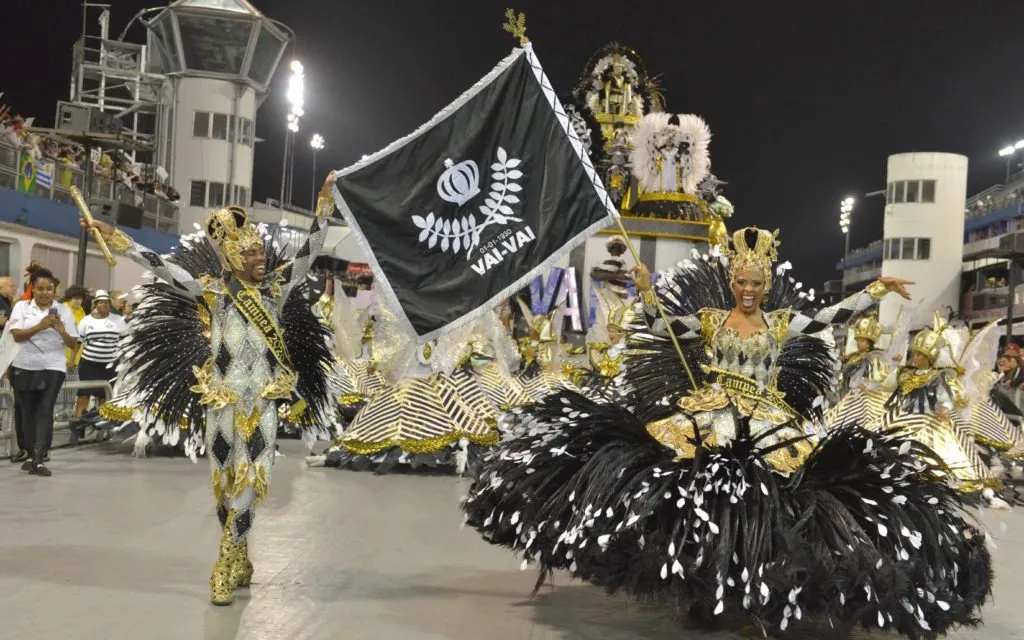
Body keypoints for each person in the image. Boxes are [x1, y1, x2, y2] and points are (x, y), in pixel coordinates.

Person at [463, 227, 993, 638]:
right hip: (709, 414)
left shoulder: (783, 325)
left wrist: (877, 289)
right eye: (741, 282)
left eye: (756, 284)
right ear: (732, 281)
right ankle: (698, 585)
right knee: (694, 498)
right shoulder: (712, 321)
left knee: (768, 508)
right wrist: (647, 294)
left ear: (765, 286)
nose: (747, 291)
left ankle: (753, 588)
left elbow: (832, 315)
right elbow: (661, 329)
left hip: (768, 422)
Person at [82, 175, 336, 606]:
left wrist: (324, 209)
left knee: (252, 477)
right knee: (223, 484)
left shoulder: (275, 288)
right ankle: (240, 552)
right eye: (251, 252)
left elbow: (310, 253)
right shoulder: (215, 293)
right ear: (233, 257)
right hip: (219, 401)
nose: (261, 257)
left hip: (262, 402)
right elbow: (164, 267)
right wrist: (119, 239)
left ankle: (222, 564)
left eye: (260, 251)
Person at [7, 268, 79, 476]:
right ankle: (30, 454)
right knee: (27, 412)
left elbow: (73, 343)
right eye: (40, 289)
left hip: (52, 366)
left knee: (45, 409)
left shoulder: (63, 311)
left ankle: (39, 458)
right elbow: (17, 336)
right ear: (33, 288)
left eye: (50, 289)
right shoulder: (21, 307)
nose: (45, 293)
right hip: (24, 365)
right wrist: (39, 326)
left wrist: (61, 331)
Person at [73, 290, 126, 421]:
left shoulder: (118, 320)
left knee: (106, 396)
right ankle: (78, 426)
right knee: (83, 394)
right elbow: (78, 343)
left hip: (110, 365)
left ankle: (103, 427)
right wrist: (71, 360)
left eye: (107, 302)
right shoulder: (86, 321)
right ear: (96, 304)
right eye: (101, 302)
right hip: (89, 364)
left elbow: (125, 342)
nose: (104, 305)